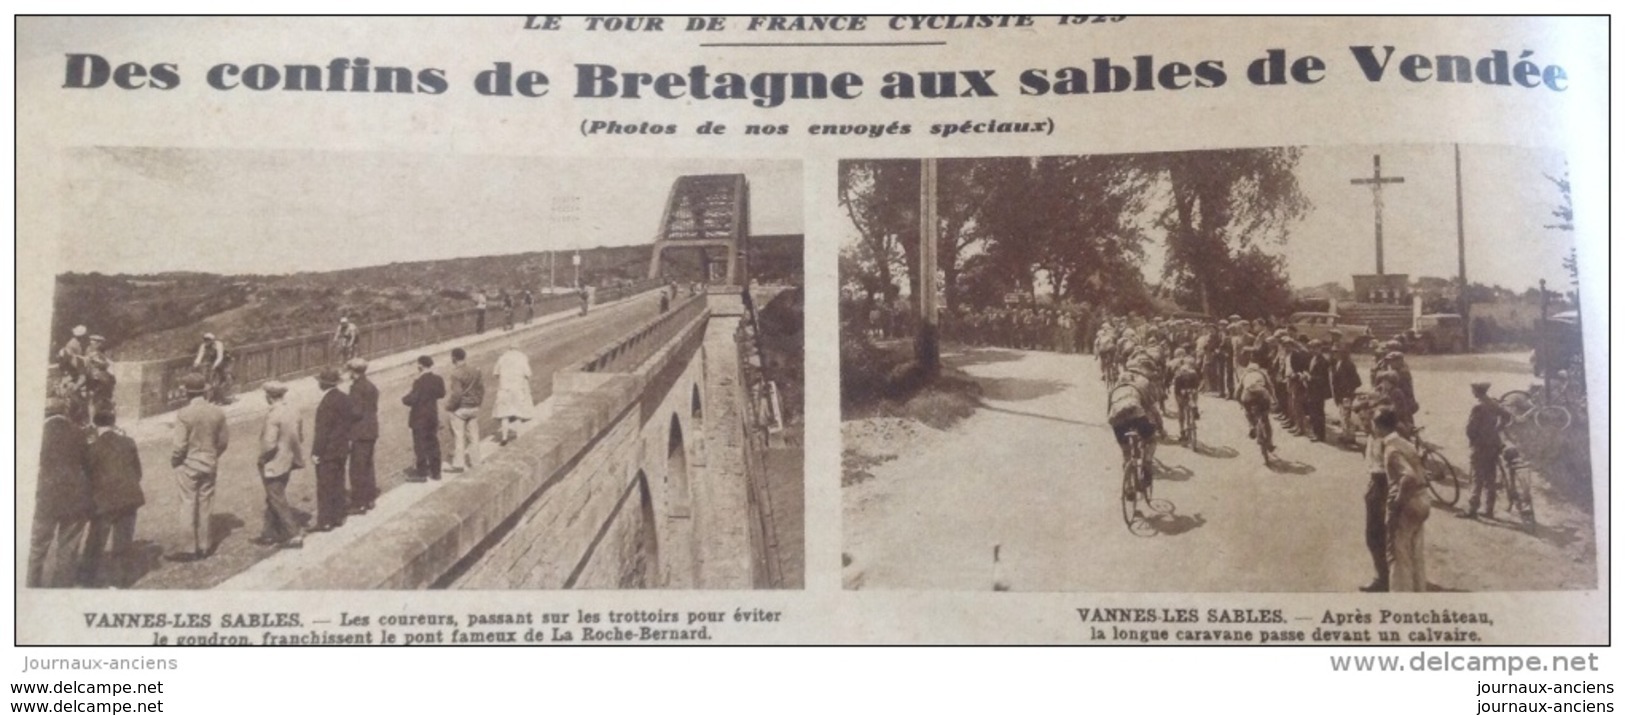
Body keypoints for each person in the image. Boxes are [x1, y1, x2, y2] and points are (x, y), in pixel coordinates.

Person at [28, 398, 92, 588]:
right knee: (68, 548)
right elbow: (88, 465)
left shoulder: (34, 433)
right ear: (64, 411)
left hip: (45, 497)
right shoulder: (79, 433)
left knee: (36, 548)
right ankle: (60, 590)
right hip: (75, 498)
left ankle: (29, 588)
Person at [81, 409, 145, 588]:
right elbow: (137, 472)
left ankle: (86, 579)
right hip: (129, 497)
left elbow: (87, 476)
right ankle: (119, 582)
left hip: (104, 501)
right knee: (123, 541)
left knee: (95, 540)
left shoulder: (92, 448)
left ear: (95, 425)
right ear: (113, 422)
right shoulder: (128, 442)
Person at [169, 372, 227, 561]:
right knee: (206, 503)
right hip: (210, 462)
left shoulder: (184, 414)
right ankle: (205, 545)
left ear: (187, 392)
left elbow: (179, 446)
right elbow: (223, 442)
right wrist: (212, 455)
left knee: (187, 503)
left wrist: (176, 460)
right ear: (204, 391)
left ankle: (188, 548)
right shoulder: (217, 412)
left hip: (189, 463)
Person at [1378, 408, 1430, 592]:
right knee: (1416, 552)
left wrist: (1398, 501)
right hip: (1423, 499)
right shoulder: (1405, 443)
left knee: (1399, 556)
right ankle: (1418, 591)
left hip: (1408, 503)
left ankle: (1402, 597)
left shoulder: (1391, 449)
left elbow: (1408, 477)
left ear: (1379, 427)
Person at [254, 381, 306, 549]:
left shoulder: (273, 415)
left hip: (274, 462)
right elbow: (300, 436)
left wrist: (262, 458)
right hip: (288, 459)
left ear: (268, 397)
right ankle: (268, 533)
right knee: (273, 496)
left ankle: (293, 534)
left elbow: (269, 443)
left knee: (276, 498)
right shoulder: (293, 410)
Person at [311, 368, 355, 532]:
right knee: (338, 481)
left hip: (328, 451)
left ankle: (325, 521)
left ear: (323, 384)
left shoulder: (326, 403)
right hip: (342, 448)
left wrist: (316, 453)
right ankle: (338, 516)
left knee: (325, 486)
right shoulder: (345, 398)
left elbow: (322, 432)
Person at [1461, 381, 1513, 520]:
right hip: (1493, 444)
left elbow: (1470, 429)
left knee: (1477, 477)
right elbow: (1507, 416)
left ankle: (1472, 509)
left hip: (1480, 445)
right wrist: (1498, 428)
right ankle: (1489, 509)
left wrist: (1473, 439)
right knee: (1490, 477)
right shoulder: (1493, 403)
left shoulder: (1478, 406)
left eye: (1473, 390)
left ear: (1477, 392)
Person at [1355, 395, 1389, 592]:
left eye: (1366, 420)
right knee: (1375, 535)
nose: (1363, 424)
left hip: (1382, 486)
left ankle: (1382, 579)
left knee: (1376, 535)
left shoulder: (1383, 439)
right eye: (1361, 420)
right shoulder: (1372, 437)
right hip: (1375, 485)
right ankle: (1385, 574)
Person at [401, 355, 446, 482]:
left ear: (421, 365)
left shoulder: (419, 381)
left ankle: (422, 473)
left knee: (420, 445)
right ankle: (436, 472)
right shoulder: (438, 379)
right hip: (432, 416)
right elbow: (441, 394)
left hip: (419, 417)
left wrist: (404, 398)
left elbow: (412, 399)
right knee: (433, 443)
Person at [345, 358, 380, 515]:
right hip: (371, 430)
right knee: (367, 465)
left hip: (360, 432)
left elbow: (356, 412)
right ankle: (369, 497)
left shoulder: (357, 388)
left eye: (350, 371)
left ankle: (359, 502)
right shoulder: (371, 386)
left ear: (354, 372)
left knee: (357, 468)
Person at [445, 347, 485, 472]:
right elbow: (481, 389)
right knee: (474, 436)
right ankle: (476, 461)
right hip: (473, 407)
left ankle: (458, 464)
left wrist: (450, 406)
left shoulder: (456, 374)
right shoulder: (476, 370)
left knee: (459, 436)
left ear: (454, 358)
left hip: (461, 409)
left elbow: (457, 394)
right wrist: (477, 402)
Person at [492, 343, 534, 445]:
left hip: (504, 389)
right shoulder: (522, 357)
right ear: (518, 348)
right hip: (518, 389)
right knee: (518, 413)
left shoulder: (502, 358)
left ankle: (504, 437)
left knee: (504, 414)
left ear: (509, 348)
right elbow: (528, 373)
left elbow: (496, 373)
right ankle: (518, 436)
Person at [1236, 349, 1276, 454]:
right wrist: (1274, 399)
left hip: (1248, 393)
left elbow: (1237, 392)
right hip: (1261, 393)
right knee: (1265, 419)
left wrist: (1240, 403)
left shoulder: (1244, 374)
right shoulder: (1262, 373)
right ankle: (1270, 443)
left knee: (1247, 412)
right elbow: (1270, 387)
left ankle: (1252, 426)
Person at [1330, 345, 1364, 446]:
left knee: (1348, 416)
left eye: (1337, 352)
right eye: (1334, 352)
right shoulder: (1338, 363)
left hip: (1346, 395)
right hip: (1340, 394)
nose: (1334, 354)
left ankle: (1350, 437)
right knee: (1343, 415)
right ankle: (1345, 434)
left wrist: (1349, 390)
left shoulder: (1348, 365)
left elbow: (1357, 381)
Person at [192, 332, 233, 404]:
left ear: (212, 340)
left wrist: (215, 366)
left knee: (222, 377)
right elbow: (200, 355)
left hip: (224, 360)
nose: (206, 341)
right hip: (212, 360)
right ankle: (213, 396)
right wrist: (196, 363)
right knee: (210, 378)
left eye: (208, 340)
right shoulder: (203, 346)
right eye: (205, 340)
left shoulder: (218, 344)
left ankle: (222, 396)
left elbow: (220, 357)